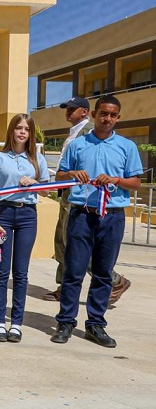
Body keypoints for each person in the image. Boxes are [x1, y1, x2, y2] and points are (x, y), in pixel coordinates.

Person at [52, 95, 142, 348]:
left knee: (102, 273)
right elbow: (59, 176)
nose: (107, 119)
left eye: (112, 115)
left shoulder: (127, 147)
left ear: (118, 118)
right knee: (73, 271)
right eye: (103, 114)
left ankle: (95, 324)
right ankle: (66, 322)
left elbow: (136, 182)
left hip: (112, 216)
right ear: (94, 115)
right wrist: (72, 174)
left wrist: (116, 180)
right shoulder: (78, 145)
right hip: (82, 214)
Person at [44, 96, 131, 304]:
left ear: (85, 112)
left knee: (78, 245)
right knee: (62, 242)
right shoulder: (74, 133)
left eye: (72, 109)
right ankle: (64, 286)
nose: (68, 112)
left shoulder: (91, 132)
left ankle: (113, 280)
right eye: (67, 108)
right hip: (69, 191)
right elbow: (65, 169)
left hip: (88, 196)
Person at [0, 114, 50, 343]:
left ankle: (16, 323)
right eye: (18, 128)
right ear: (11, 130)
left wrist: (34, 183)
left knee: (21, 273)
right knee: (2, 271)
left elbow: (46, 191)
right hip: (3, 214)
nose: (22, 132)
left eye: (27, 129)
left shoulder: (37, 159)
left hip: (27, 216)